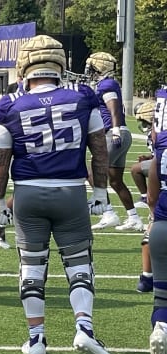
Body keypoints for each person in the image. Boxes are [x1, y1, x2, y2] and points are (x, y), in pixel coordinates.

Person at [0, 35, 114, 354]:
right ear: (58, 62)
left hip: (28, 194)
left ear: (26, 65)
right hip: (70, 191)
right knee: (79, 264)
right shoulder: (83, 97)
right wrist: (101, 192)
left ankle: (36, 339)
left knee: (31, 268)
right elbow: (99, 148)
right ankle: (84, 329)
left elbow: (1, 163)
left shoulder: (10, 104)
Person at [86, 51, 143, 232]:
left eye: (92, 66)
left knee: (92, 174)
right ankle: (134, 218)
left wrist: (116, 129)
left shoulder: (107, 84)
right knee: (115, 181)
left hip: (114, 133)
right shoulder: (105, 84)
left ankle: (108, 213)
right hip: (118, 133)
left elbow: (114, 109)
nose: (89, 70)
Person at [147, 85, 167, 354]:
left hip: (162, 226)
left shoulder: (161, 151)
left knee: (162, 293)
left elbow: (151, 194)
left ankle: (161, 327)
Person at [131, 100, 156, 210]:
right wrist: (148, 157)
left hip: (163, 162)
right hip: (161, 160)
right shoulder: (154, 131)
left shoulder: (157, 131)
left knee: (135, 169)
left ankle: (146, 197)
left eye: (143, 120)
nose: (143, 124)